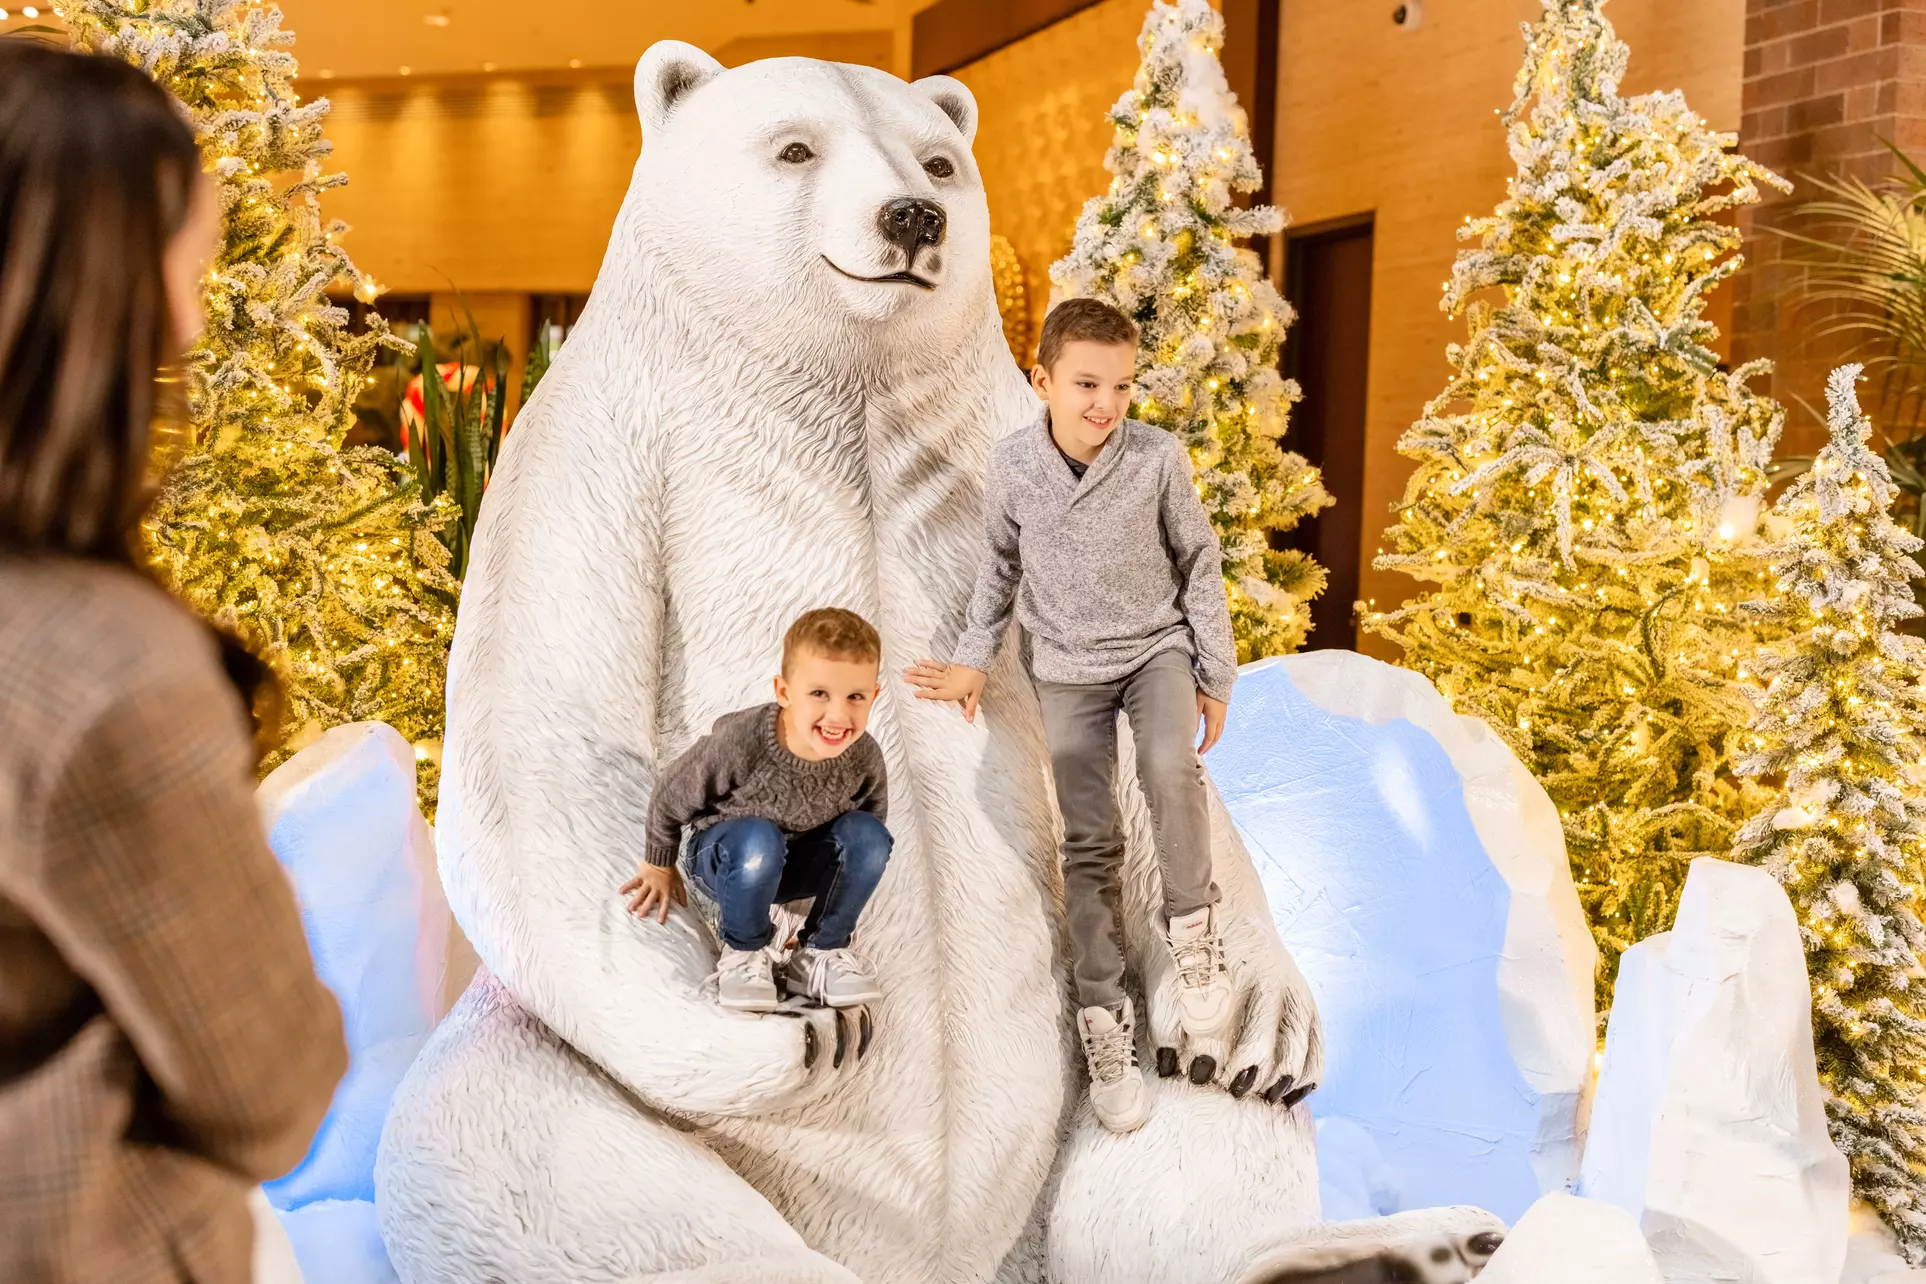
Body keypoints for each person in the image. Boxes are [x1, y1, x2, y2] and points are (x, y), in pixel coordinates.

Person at [0, 43, 348, 1283]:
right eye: (185, 272)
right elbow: (273, 1088)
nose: (194, 324)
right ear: (95, 292)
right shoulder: (107, 678)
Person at [905, 297, 1237, 1134]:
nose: (1106, 404)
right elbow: (999, 569)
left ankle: (1193, 930)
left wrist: (1215, 670)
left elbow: (1198, 560)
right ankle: (1104, 1017)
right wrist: (972, 659)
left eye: (1122, 386)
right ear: (1042, 381)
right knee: (1088, 841)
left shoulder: (1156, 458)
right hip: (1065, 669)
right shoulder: (1015, 466)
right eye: (1087, 384)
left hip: (1155, 649)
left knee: (1168, 765)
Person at [623, 607, 892, 1012]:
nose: (838, 715)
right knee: (758, 837)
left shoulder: (863, 757)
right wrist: (658, 863)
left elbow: (867, 828)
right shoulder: (743, 742)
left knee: (871, 836)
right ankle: (745, 952)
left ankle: (818, 953)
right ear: (784, 692)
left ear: (874, 696)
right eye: (819, 694)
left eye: (855, 697)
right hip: (727, 856)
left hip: (793, 866)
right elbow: (671, 792)